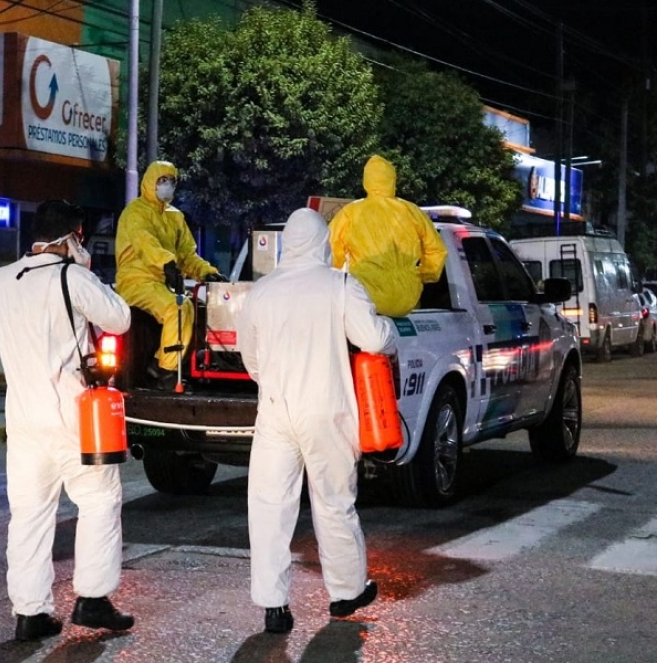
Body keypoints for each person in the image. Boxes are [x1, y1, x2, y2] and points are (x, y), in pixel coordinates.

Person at [236, 208, 397, 633]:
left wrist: (273, 381)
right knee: (333, 502)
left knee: (269, 508)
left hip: (274, 410)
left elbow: (249, 357)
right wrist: (390, 329)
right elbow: (375, 338)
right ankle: (345, 593)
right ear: (324, 243)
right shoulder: (339, 285)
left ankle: (273, 606)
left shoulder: (262, 291)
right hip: (328, 410)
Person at [0, 199, 135, 642]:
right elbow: (120, 317)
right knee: (98, 502)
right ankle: (92, 599)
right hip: (74, 419)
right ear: (71, 237)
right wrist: (85, 269)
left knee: (30, 515)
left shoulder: (1, 279)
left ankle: (30, 613)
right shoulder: (72, 276)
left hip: (23, 420)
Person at [115, 160, 226, 390]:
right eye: (162, 181)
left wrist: (207, 273)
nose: (167, 186)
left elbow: (187, 254)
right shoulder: (135, 213)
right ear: (149, 183)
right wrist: (167, 264)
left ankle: (173, 365)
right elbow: (146, 244)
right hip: (137, 281)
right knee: (177, 308)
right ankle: (164, 371)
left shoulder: (175, 217)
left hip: (163, 282)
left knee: (198, 309)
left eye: (171, 181)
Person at [329, 154, 447, 317]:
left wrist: (333, 279)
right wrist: (425, 275)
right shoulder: (411, 211)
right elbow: (436, 250)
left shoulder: (350, 212)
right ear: (392, 179)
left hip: (365, 295)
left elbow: (330, 250)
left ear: (366, 180)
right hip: (407, 297)